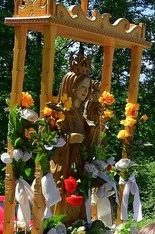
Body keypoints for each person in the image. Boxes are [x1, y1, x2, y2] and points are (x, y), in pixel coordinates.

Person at [51, 50, 103, 222]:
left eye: (87, 88)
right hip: (64, 167)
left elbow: (90, 142)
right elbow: (49, 142)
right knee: (63, 202)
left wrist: (95, 122)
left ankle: (76, 229)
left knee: (78, 203)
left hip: (78, 166)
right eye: (82, 87)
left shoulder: (81, 115)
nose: (85, 91)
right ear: (71, 86)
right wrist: (68, 139)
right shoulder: (58, 113)